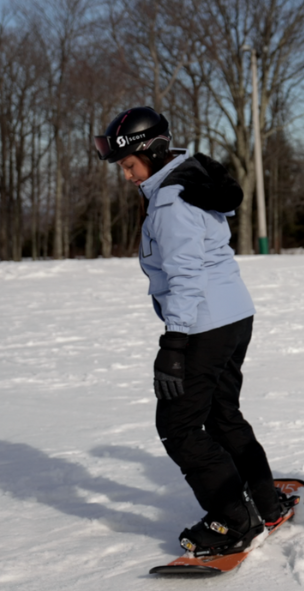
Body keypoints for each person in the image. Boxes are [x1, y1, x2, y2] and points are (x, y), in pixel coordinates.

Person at [94, 106, 292, 556]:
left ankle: (233, 521)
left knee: (178, 425)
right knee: (222, 415)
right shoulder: (192, 182)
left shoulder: (171, 203)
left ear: (151, 152)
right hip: (234, 314)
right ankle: (266, 502)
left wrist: (174, 342)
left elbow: (186, 277)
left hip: (205, 323)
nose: (126, 175)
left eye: (129, 165)